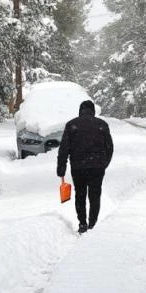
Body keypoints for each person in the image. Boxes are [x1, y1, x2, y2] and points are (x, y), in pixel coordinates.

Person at [56, 100, 114, 233]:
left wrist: (61, 168)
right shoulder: (102, 124)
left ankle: (82, 223)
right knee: (95, 195)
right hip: (97, 167)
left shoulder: (72, 125)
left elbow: (64, 149)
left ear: (80, 110)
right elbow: (109, 147)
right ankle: (93, 224)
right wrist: (104, 164)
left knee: (80, 195)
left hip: (78, 167)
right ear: (93, 110)